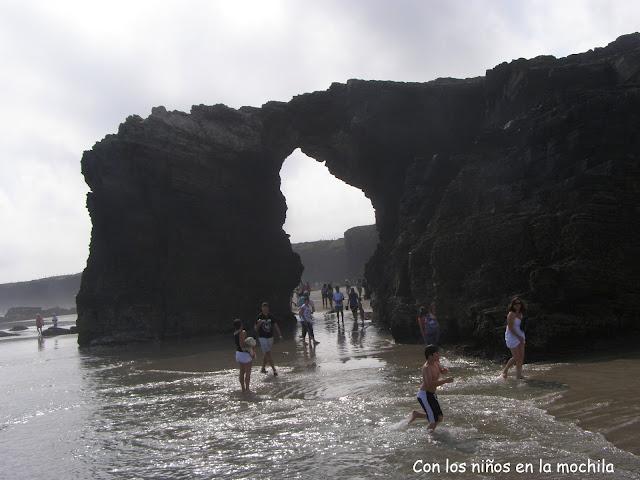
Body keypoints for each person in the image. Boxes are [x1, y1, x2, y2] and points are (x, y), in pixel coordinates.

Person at [408, 344, 453, 430]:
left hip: (432, 394)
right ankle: (430, 441)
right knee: (433, 421)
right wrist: (445, 381)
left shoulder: (436, 362)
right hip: (425, 395)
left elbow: (441, 371)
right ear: (430, 355)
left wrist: (444, 371)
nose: (439, 355)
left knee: (439, 417)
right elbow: (430, 384)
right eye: (437, 353)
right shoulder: (426, 368)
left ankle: (417, 414)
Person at [255, 302, 283, 376]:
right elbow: (255, 329)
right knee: (268, 353)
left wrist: (280, 335)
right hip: (262, 337)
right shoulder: (259, 316)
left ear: (268, 309)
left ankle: (263, 368)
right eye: (263, 308)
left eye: (266, 308)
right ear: (261, 309)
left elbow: (275, 325)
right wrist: (259, 323)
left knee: (266, 353)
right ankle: (274, 370)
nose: (265, 310)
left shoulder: (271, 316)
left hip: (270, 337)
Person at [502, 297, 526, 379]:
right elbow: (511, 328)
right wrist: (518, 337)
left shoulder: (521, 313)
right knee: (516, 357)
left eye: (519, 303)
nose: (517, 305)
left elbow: (519, 325)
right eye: (515, 304)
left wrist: (521, 336)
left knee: (521, 357)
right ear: (513, 305)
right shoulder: (511, 314)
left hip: (520, 334)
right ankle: (505, 371)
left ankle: (519, 375)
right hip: (512, 335)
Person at [233, 318, 254, 393]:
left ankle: (243, 389)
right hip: (245, 354)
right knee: (248, 372)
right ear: (241, 324)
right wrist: (251, 351)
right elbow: (243, 345)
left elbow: (239, 344)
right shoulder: (243, 332)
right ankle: (247, 389)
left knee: (242, 372)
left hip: (238, 354)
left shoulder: (235, 333)